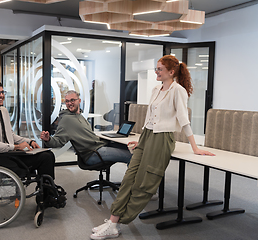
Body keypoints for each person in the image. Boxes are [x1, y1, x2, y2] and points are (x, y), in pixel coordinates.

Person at [90, 55, 215, 240]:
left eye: (159, 69)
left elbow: (183, 119)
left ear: (171, 72)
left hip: (162, 139)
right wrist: (141, 140)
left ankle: (116, 222)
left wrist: (195, 147)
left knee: (144, 183)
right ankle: (112, 221)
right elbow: (150, 119)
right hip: (147, 137)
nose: (156, 72)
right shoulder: (156, 89)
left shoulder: (177, 90)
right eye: (156, 68)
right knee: (128, 178)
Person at [0, 81, 55, 180]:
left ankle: (47, 189)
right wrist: (17, 147)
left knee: (48, 154)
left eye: (2, 92)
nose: (1, 95)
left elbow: (10, 135)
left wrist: (29, 141)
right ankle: (47, 191)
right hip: (0, 157)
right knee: (46, 158)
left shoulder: (3, 111)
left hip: (10, 153)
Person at [40, 90, 132, 166]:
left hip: (99, 147)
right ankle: (130, 186)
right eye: (67, 101)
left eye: (72, 100)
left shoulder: (80, 116)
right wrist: (48, 139)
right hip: (93, 154)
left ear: (79, 101)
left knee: (131, 150)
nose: (69, 103)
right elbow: (58, 141)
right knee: (132, 157)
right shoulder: (66, 119)